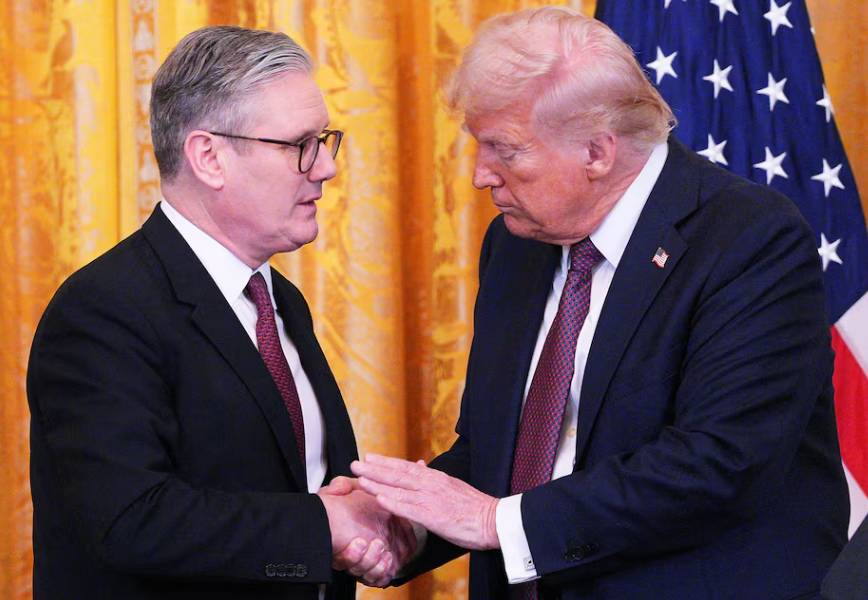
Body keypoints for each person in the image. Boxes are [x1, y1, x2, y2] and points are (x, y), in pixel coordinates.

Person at [351, 6, 849, 599]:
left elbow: (717, 466)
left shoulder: (749, 240)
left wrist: (495, 523)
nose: (482, 175)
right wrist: (402, 522)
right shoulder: (517, 246)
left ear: (597, 152)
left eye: (504, 150)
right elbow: (503, 452)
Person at [27, 25, 411, 600]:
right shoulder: (103, 311)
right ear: (209, 156)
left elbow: (294, 487)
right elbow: (130, 519)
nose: (326, 169)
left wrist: (361, 528)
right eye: (299, 145)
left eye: (324, 141)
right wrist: (325, 526)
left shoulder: (279, 300)